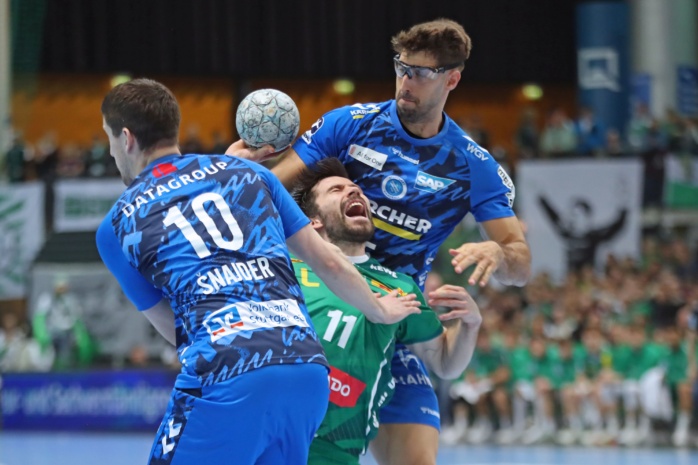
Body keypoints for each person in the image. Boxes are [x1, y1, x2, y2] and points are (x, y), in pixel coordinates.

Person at [228, 19, 531, 465]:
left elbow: (520, 266)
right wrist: (237, 173)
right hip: (323, 307)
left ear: (452, 79)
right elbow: (270, 193)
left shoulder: (472, 165)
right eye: (401, 67)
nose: (406, 81)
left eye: (421, 73)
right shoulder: (350, 125)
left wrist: (499, 253)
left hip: (396, 322)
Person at [95, 78, 420, 465]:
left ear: (126, 138)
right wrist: (379, 309)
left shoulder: (116, 227)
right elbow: (329, 261)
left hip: (228, 370)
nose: (111, 151)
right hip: (307, 371)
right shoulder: (249, 174)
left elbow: (174, 328)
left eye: (109, 138)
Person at [290, 158, 483, 464]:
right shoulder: (284, 267)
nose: (354, 192)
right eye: (336, 190)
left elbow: (445, 363)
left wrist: (470, 324)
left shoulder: (399, 287)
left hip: (334, 451)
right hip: (269, 433)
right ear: (314, 221)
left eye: (357, 189)